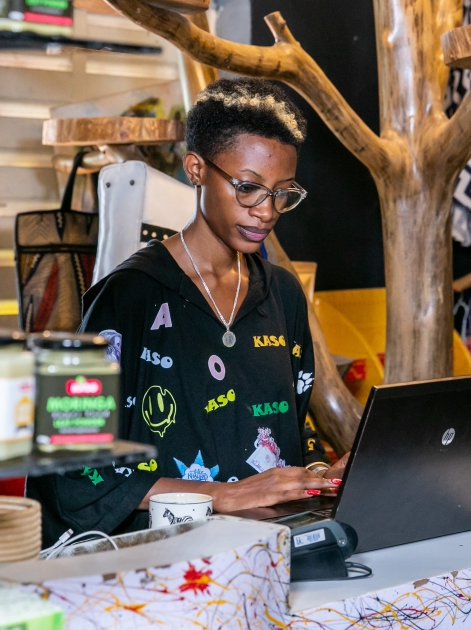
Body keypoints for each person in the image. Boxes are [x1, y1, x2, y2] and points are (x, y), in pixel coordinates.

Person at [30, 78, 346, 541]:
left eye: (282, 193)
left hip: (273, 548)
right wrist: (222, 494)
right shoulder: (126, 297)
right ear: (196, 169)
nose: (266, 211)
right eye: (248, 188)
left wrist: (320, 473)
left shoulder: (283, 295)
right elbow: (73, 470)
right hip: (164, 562)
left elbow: (288, 432)